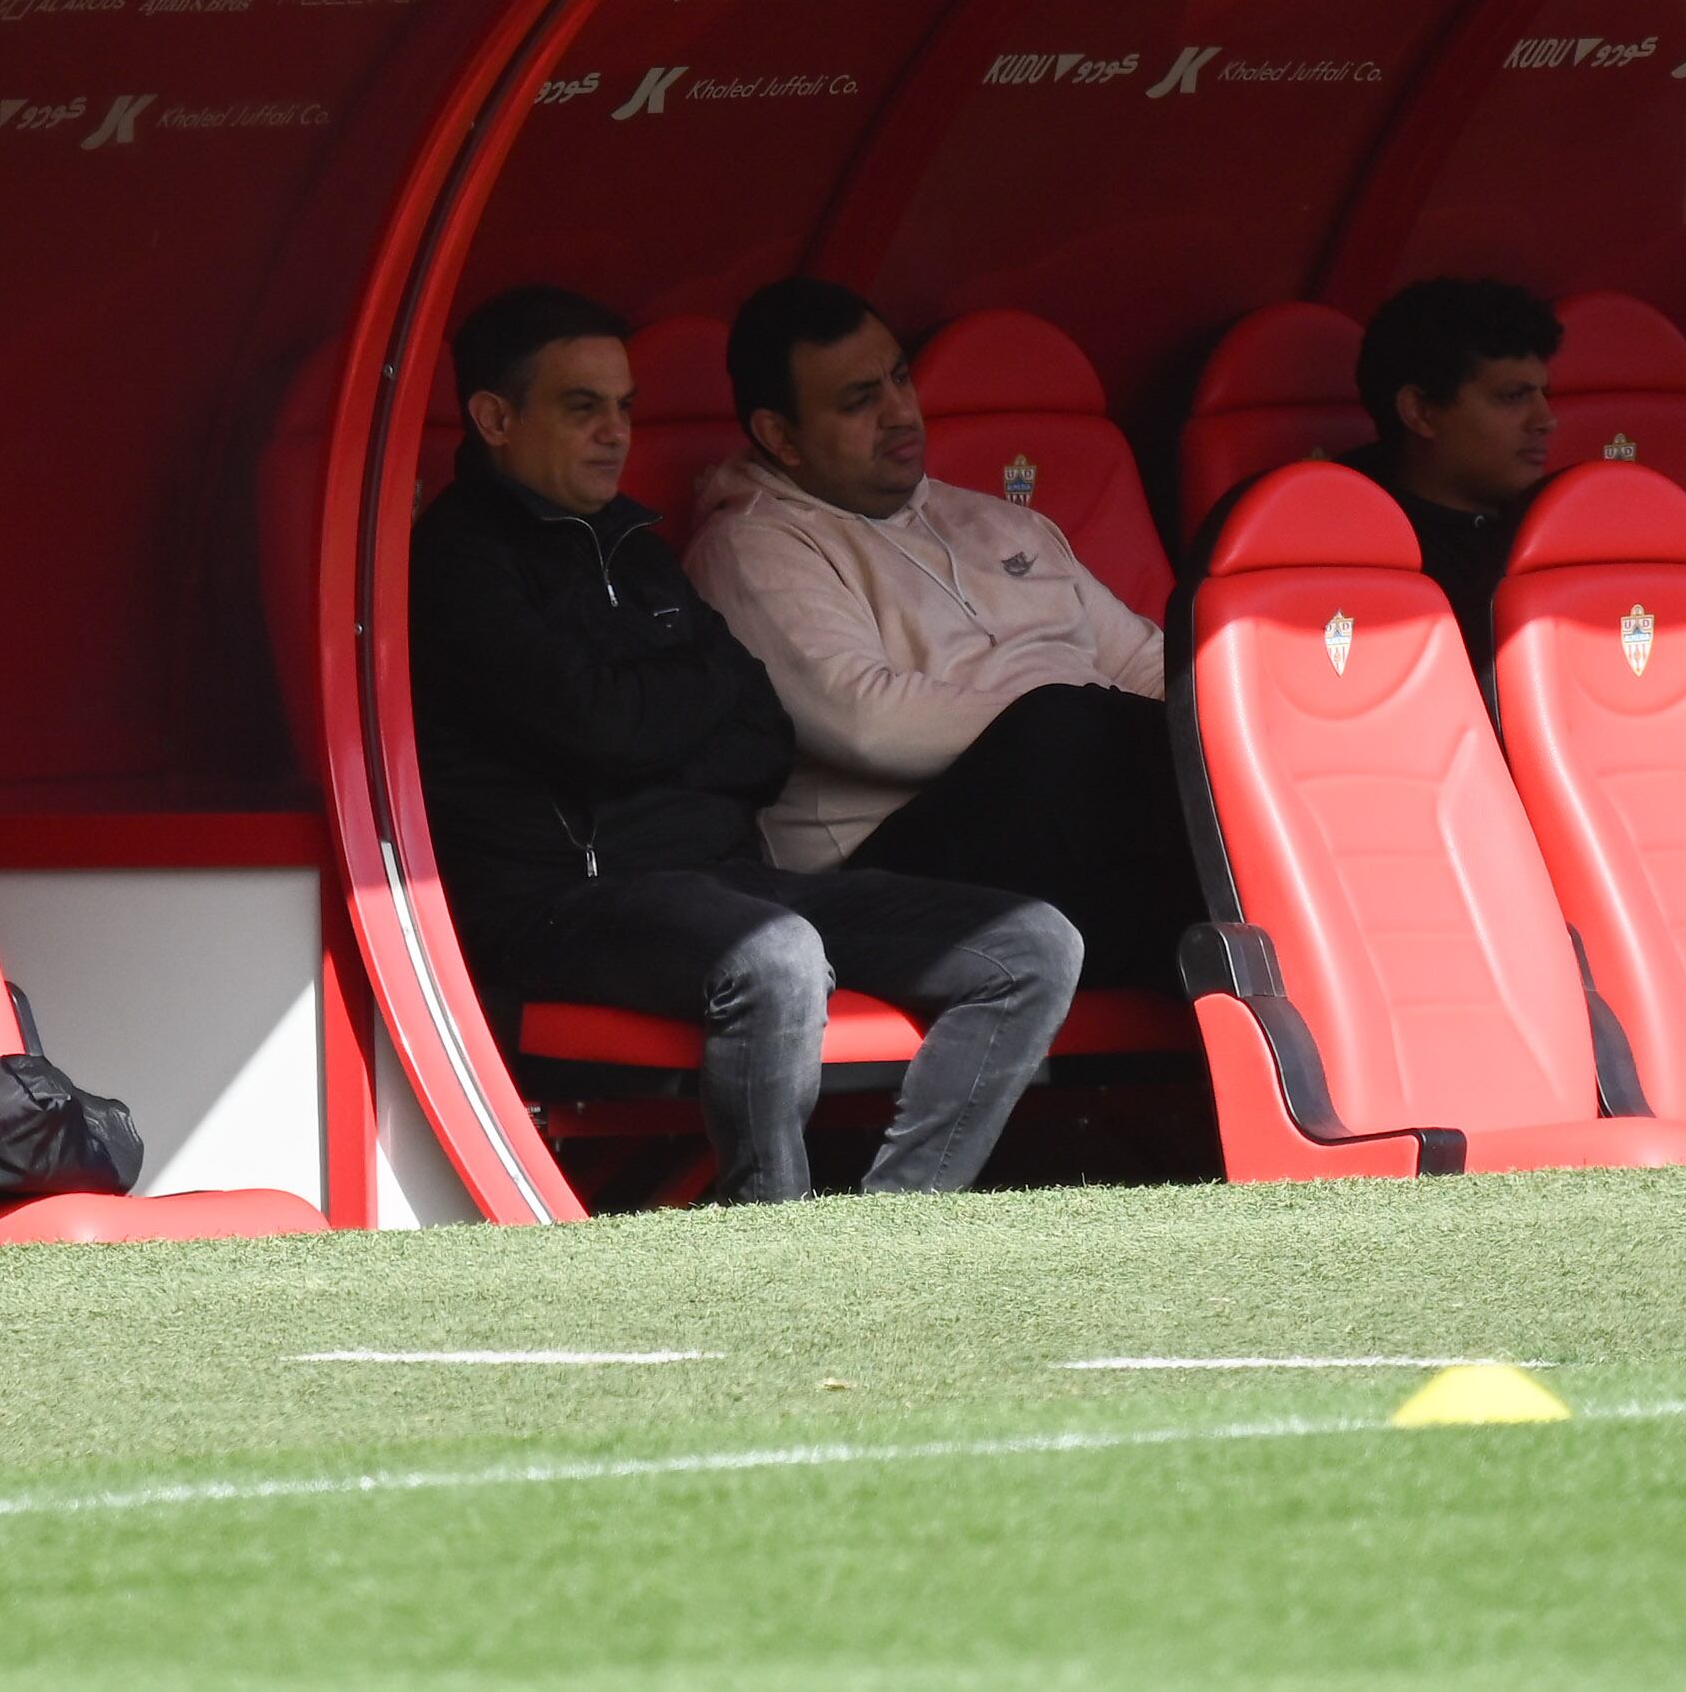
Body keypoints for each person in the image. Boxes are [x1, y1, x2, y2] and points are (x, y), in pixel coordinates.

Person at [407, 284, 1081, 1203]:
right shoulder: (456, 561)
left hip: (726, 878)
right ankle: (772, 1233)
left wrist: (649, 726)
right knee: (778, 953)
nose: (615, 431)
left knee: (1033, 944)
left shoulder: (637, 549)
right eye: (581, 407)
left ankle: (896, 1228)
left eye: (625, 407)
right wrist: (675, 713)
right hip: (562, 903)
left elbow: (760, 732)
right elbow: (600, 730)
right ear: (493, 416)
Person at [687, 280, 1202, 990]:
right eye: (859, 400)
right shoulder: (751, 545)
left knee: (1212, 726)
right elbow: (863, 718)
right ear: (780, 435)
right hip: (878, 869)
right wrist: (1071, 716)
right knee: (1068, 729)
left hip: (1070, 797)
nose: (900, 412)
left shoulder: (1000, 521)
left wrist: (1195, 728)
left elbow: (1143, 658)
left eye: (900, 378)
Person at [1338, 278, 1563, 673]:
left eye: (1544, 395)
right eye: (1512, 397)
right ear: (1420, 412)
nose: (1546, 420)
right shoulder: (1341, 549)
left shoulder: (1561, 529)